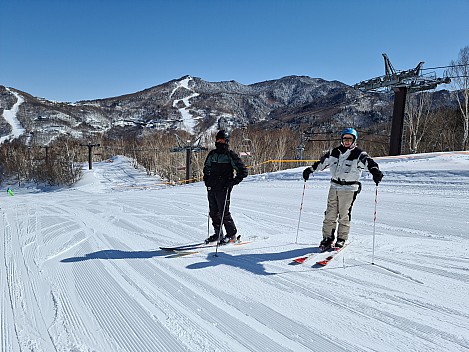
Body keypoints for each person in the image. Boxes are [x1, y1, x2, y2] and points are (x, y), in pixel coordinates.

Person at [302, 128, 383, 250]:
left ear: (354, 140)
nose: (347, 141)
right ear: (342, 139)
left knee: (344, 214)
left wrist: (375, 171)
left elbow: (370, 163)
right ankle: (327, 238)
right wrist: (310, 170)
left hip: (349, 188)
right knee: (330, 213)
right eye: (345, 138)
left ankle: (341, 238)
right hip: (334, 186)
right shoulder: (334, 152)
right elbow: (321, 163)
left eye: (350, 139)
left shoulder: (359, 154)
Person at [203, 130, 248, 244]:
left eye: (223, 140)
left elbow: (243, 171)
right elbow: (206, 168)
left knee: (223, 212)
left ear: (227, 141)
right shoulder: (212, 154)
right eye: (218, 140)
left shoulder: (230, 155)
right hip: (212, 186)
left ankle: (231, 235)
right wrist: (207, 179)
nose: (220, 142)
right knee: (213, 212)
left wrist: (231, 182)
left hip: (224, 187)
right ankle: (218, 234)